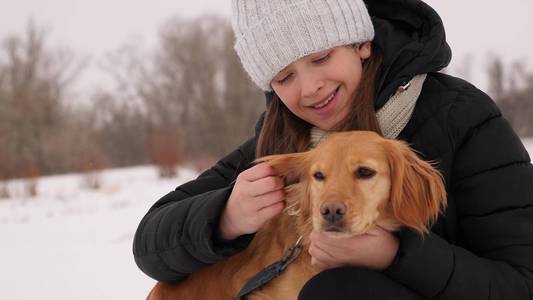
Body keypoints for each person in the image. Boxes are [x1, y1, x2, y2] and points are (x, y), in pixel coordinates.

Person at [133, 0, 533, 299]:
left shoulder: (461, 118)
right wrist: (225, 217)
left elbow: (522, 282)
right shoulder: (280, 142)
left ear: (360, 43)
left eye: (321, 57)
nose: (310, 89)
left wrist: (395, 255)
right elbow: (150, 246)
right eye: (285, 77)